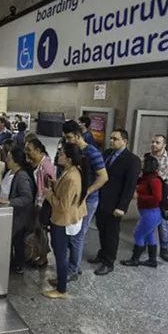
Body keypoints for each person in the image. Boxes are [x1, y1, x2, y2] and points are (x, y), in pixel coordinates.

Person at [62, 120, 108, 280]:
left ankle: (73, 270)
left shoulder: (92, 153)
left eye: (69, 137)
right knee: (71, 233)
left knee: (77, 235)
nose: (67, 141)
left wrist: (87, 192)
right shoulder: (73, 151)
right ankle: (73, 264)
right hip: (75, 198)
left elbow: (103, 177)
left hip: (88, 200)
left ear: (78, 135)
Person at [91, 129, 140, 276]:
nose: (111, 141)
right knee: (101, 228)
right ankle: (102, 253)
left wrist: (122, 207)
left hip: (115, 204)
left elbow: (130, 186)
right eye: (111, 138)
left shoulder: (132, 160)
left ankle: (108, 261)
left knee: (111, 233)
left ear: (124, 141)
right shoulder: (107, 154)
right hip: (101, 200)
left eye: (115, 139)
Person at [43, 143, 87, 299]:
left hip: (63, 219)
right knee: (58, 250)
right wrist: (55, 185)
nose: (58, 156)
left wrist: (48, 194)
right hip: (64, 217)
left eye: (61, 154)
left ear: (68, 159)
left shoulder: (72, 177)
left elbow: (63, 205)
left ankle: (62, 290)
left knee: (61, 254)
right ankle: (61, 279)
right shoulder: (70, 171)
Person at [121, 155, 164, 268]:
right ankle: (152, 260)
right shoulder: (146, 178)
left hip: (151, 213)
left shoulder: (154, 180)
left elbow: (157, 198)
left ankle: (135, 260)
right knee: (149, 235)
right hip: (149, 213)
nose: (141, 164)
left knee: (138, 235)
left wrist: (139, 196)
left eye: (143, 162)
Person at [0, 147, 35, 275]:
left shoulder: (22, 176)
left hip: (19, 216)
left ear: (15, 161)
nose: (7, 161)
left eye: (9, 159)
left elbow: (27, 197)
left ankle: (19, 264)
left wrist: (10, 202)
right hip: (12, 214)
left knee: (18, 240)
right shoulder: (11, 173)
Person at [146, 134, 168, 262]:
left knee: (163, 223)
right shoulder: (147, 157)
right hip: (149, 195)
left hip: (165, 195)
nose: (154, 144)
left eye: (157, 142)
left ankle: (164, 249)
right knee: (148, 220)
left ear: (164, 145)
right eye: (153, 142)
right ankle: (147, 245)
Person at [26, 139, 55, 266]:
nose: (27, 153)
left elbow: (50, 186)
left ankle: (43, 256)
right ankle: (38, 253)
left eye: (29, 150)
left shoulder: (46, 166)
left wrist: (41, 204)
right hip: (36, 203)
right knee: (37, 230)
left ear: (38, 150)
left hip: (43, 204)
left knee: (41, 230)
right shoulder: (34, 163)